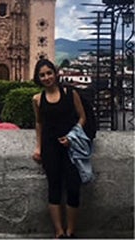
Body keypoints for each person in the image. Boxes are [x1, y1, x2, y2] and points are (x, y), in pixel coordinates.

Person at [32, 59, 86, 239]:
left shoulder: (70, 93)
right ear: (38, 78)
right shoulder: (37, 99)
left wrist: (72, 137)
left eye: (49, 73)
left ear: (55, 73)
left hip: (71, 148)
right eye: (42, 75)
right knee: (54, 188)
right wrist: (38, 147)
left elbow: (82, 118)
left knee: (73, 188)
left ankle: (71, 231)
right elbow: (39, 123)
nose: (47, 77)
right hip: (50, 148)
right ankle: (59, 232)